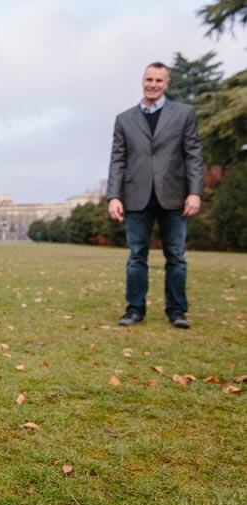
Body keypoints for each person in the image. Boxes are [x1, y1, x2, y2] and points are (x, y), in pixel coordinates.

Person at [107, 62, 204, 329]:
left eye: (158, 80)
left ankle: (177, 311)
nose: (153, 84)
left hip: (174, 196)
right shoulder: (124, 119)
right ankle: (134, 310)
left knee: (176, 256)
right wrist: (113, 196)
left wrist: (195, 193)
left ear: (166, 84)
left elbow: (194, 155)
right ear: (142, 81)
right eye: (149, 79)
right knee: (137, 256)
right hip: (136, 197)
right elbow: (118, 159)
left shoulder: (184, 114)